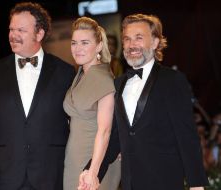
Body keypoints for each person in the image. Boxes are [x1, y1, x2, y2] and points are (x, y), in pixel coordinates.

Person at [81, 13, 209, 190]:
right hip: (130, 182)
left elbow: (186, 135)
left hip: (165, 181)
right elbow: (115, 138)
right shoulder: (118, 84)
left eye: (139, 38)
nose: (132, 44)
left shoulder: (172, 80)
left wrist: (197, 184)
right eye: (127, 39)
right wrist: (91, 172)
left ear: (155, 42)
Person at [0, 2, 75, 190]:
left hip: (51, 175)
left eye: (21, 30)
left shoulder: (65, 72)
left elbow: (78, 123)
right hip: (6, 175)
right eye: (11, 29)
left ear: (39, 33)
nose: (13, 35)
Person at [63, 17, 116, 190]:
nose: (77, 49)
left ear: (99, 46)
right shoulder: (80, 74)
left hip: (92, 162)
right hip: (74, 158)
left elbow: (105, 130)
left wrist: (93, 172)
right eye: (74, 43)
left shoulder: (103, 79)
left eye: (84, 43)